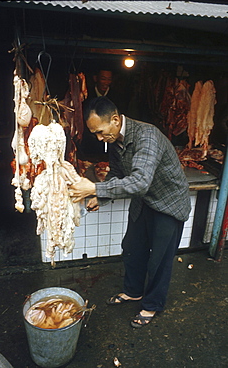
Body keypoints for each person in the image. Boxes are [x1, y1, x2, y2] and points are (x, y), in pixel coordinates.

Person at [69, 96, 191, 328]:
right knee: (132, 249)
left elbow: (140, 182)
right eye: (95, 133)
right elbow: (116, 173)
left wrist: (94, 186)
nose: (99, 138)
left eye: (101, 131)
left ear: (115, 119)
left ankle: (152, 304)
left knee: (159, 260)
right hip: (144, 201)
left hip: (169, 203)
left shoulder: (147, 136)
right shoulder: (114, 140)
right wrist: (100, 197)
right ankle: (133, 291)